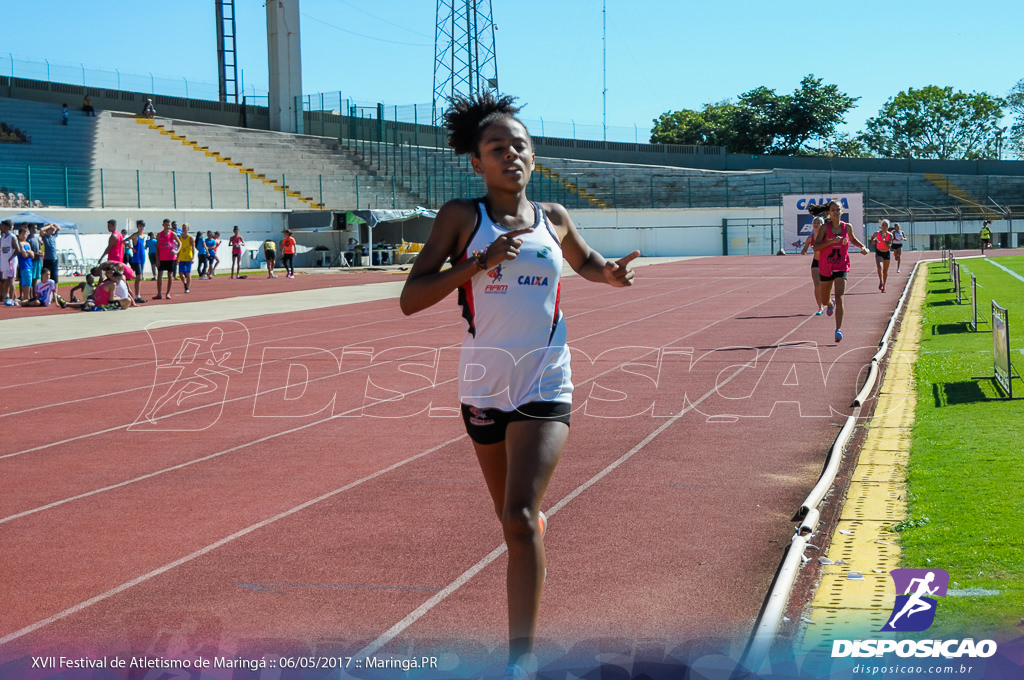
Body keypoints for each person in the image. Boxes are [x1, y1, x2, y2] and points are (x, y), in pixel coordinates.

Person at [399, 92, 639, 680]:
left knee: (519, 516)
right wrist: (478, 263)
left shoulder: (554, 217)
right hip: (482, 385)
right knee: (514, 521)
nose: (511, 154)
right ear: (476, 162)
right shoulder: (462, 217)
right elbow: (412, 298)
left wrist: (609, 274)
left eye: (520, 146)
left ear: (534, 158)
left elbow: (584, 262)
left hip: (544, 379)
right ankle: (530, 560)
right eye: (497, 147)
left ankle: (520, 659)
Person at [809, 200, 869, 343]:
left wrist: (863, 247)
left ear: (842, 211)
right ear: (829, 212)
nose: (835, 212)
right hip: (826, 266)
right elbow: (816, 247)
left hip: (841, 265)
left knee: (841, 296)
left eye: (837, 210)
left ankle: (838, 329)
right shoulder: (825, 228)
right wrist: (831, 242)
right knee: (825, 300)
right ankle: (830, 304)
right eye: (832, 210)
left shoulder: (847, 227)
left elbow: (853, 239)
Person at [800, 216, 829, 315]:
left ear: (822, 225)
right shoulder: (810, 238)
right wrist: (803, 251)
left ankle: (829, 301)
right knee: (817, 284)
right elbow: (805, 249)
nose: (816, 224)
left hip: (827, 263)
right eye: (814, 223)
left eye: (818, 223)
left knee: (826, 285)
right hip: (816, 262)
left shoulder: (826, 237)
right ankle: (820, 307)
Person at [154, 219, 180, 300]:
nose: (167, 227)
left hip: (171, 258)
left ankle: (168, 293)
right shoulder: (159, 234)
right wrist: (157, 259)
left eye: (169, 225)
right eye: (166, 225)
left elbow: (180, 243)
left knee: (170, 276)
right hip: (162, 258)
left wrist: (176, 251)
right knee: (160, 275)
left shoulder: (173, 234)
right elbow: (157, 248)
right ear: (163, 225)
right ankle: (159, 293)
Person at [128, 221, 149, 302]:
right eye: (140, 226)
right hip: (136, 258)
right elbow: (124, 241)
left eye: (143, 226)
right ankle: (137, 296)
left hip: (142, 257)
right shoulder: (135, 235)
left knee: (140, 278)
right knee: (138, 277)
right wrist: (131, 248)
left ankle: (138, 295)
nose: (142, 227)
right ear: (138, 226)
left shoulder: (144, 236)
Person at [871, 219, 893, 293]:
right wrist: (873, 241)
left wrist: (883, 240)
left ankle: (884, 286)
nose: (884, 227)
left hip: (886, 253)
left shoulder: (890, 235)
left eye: (886, 225)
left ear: (888, 227)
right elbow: (872, 239)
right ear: (881, 226)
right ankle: (881, 281)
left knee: (885, 271)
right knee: (879, 266)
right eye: (883, 225)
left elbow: (888, 247)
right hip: (879, 252)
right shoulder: (877, 233)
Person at [1, 220, 18, 306]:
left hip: (11, 262)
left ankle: (12, 299)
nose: (1, 227)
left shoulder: (12, 237)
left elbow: (17, 250)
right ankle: (6, 297)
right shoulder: (3, 237)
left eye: (3, 226)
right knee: (5, 280)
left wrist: (10, 258)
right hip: (4, 262)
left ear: (7, 227)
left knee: (11, 280)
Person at [177, 223, 195, 293]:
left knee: (188, 273)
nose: (184, 229)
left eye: (185, 228)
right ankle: (184, 283)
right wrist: (177, 258)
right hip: (182, 258)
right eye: (183, 228)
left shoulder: (190, 238)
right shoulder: (180, 238)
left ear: (188, 229)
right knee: (181, 273)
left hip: (188, 257)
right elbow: (179, 248)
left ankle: (187, 287)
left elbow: (193, 248)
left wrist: (193, 258)